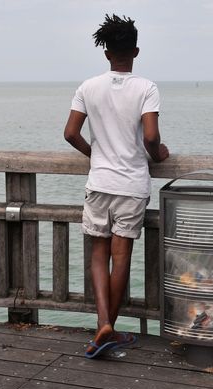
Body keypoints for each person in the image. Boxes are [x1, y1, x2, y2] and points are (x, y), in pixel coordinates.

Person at [63, 14, 170, 359]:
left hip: (100, 181)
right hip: (132, 183)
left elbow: (70, 133)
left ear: (107, 53)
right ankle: (109, 328)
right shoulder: (146, 88)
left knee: (98, 254)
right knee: (120, 257)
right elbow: (151, 136)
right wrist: (158, 153)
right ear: (135, 51)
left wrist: (95, 153)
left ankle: (103, 325)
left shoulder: (88, 87)